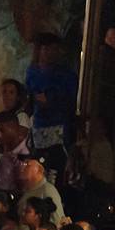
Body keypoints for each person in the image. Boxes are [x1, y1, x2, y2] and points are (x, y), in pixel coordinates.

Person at [26, 34, 78, 180]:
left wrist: (51, 100)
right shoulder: (32, 72)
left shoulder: (66, 75)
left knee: (56, 170)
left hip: (60, 128)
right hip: (39, 128)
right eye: (46, 49)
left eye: (54, 49)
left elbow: (70, 100)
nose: (50, 53)